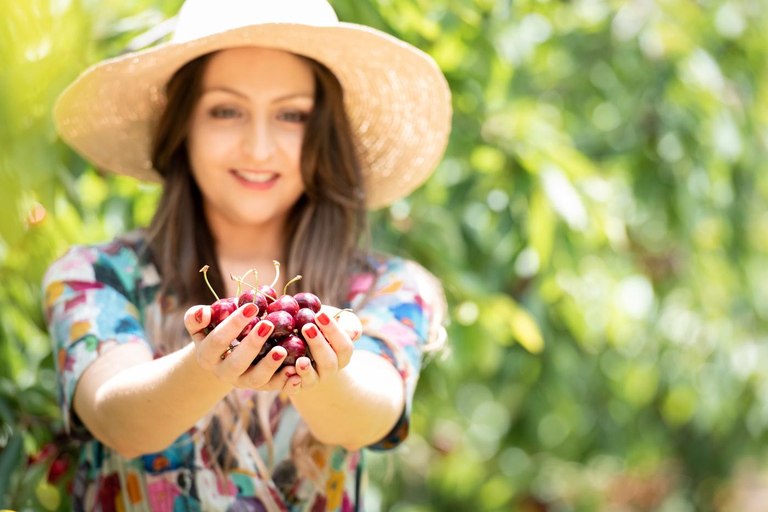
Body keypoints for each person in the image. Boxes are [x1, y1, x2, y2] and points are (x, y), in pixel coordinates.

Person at [43, 0, 451, 510]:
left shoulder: (388, 287)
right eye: (226, 110)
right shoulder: (95, 276)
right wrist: (209, 363)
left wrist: (315, 362)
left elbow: (369, 416)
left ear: (322, 135)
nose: (258, 148)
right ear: (183, 125)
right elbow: (118, 421)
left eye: (292, 115)